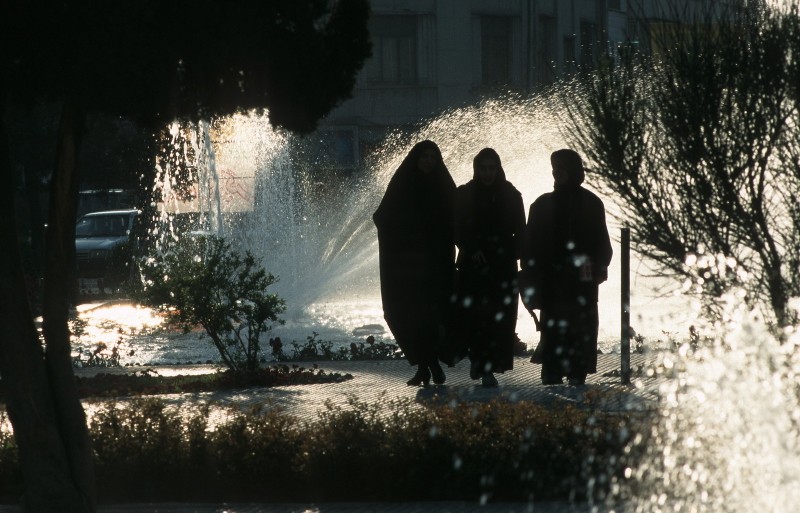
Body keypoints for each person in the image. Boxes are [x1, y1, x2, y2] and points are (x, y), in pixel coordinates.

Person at [519, 149, 612, 386]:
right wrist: (530, 275)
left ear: (573, 170)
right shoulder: (541, 205)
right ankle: (554, 372)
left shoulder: (591, 203)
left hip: (581, 281)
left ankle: (576, 372)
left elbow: (602, 242)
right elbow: (529, 246)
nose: (557, 172)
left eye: (562, 167)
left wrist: (599, 265)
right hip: (553, 283)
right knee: (554, 330)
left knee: (579, 330)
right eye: (555, 167)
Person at [373, 140, 457, 386]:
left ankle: (427, 366)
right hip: (407, 266)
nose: (429, 161)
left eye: (433, 156)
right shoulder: (402, 184)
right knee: (408, 314)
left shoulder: (443, 185)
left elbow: (457, 218)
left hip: (436, 262)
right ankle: (428, 365)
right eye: (424, 157)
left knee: (433, 315)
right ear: (415, 160)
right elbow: (382, 217)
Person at [453, 148, 526, 387]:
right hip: (473, 268)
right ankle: (480, 363)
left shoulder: (511, 194)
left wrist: (513, 254)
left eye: (491, 168)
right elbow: (457, 228)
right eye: (483, 168)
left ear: (498, 168)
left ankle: (489, 366)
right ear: (476, 169)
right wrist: (472, 249)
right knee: (475, 318)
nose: (487, 173)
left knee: (500, 320)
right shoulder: (465, 194)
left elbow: (521, 231)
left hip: (502, 268)